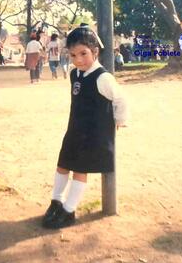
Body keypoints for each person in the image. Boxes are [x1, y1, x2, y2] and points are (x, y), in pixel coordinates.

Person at [42, 26, 127, 229]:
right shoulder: (74, 74)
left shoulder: (103, 77)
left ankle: (69, 210)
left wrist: (119, 121)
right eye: (73, 55)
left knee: (80, 170)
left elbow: (120, 99)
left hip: (93, 134)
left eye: (83, 54)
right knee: (63, 164)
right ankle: (56, 201)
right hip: (74, 130)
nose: (78, 59)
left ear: (95, 51)